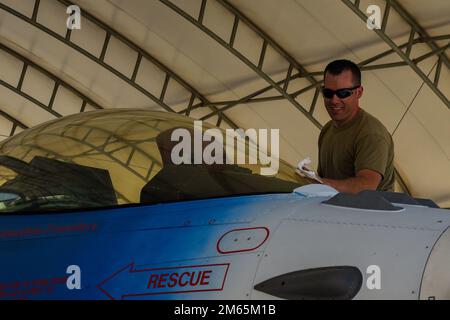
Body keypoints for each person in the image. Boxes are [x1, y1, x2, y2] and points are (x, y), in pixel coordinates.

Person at [317, 59, 394, 193]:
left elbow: (366, 187)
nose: (334, 100)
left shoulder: (371, 134)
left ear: (359, 92)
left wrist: (320, 184)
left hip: (370, 213)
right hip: (336, 212)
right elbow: (323, 180)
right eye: (328, 93)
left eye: (343, 93)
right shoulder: (327, 130)